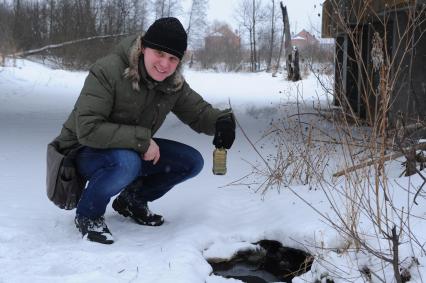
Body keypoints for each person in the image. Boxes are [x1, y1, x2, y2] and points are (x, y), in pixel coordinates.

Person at [49, 17, 235, 244]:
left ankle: (133, 199)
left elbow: (198, 113)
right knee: (127, 163)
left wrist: (221, 122)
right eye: (159, 53)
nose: (165, 64)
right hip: (82, 151)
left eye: (172, 58)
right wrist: (142, 140)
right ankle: (89, 214)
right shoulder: (108, 71)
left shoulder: (171, 83)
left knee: (191, 162)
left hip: (128, 148)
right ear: (144, 47)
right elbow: (88, 129)